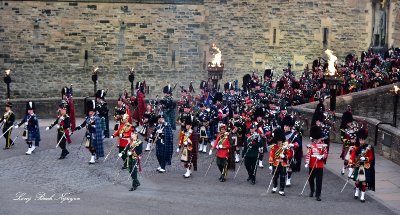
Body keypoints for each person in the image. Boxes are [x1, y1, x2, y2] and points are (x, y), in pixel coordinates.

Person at [349, 128, 375, 203]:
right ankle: (357, 192)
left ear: (364, 140)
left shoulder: (368, 148)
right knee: (357, 181)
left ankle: (362, 196)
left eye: (363, 140)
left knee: (364, 182)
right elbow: (353, 157)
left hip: (365, 166)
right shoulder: (357, 148)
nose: (361, 141)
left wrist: (365, 158)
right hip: (358, 166)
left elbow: (371, 157)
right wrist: (352, 163)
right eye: (360, 140)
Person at [75, 100, 104, 164]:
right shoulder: (88, 118)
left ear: (94, 112)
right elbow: (83, 124)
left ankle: (92, 157)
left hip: (94, 135)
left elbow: (98, 128)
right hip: (88, 134)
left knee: (92, 146)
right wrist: (78, 127)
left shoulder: (97, 118)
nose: (89, 113)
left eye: (91, 111)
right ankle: (95, 153)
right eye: (89, 111)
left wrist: (92, 127)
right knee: (88, 146)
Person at [305, 126, 328, 201]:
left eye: (318, 139)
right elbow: (308, 154)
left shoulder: (324, 146)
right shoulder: (311, 146)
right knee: (310, 179)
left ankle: (318, 195)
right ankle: (312, 190)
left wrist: (321, 157)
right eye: (316, 139)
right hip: (312, 164)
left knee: (319, 181)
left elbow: (325, 154)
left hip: (320, 165)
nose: (317, 140)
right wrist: (307, 162)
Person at [269, 128, 293, 196]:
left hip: (283, 163)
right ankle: (275, 187)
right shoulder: (274, 147)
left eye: (280, 141)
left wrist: (284, 156)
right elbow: (271, 155)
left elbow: (290, 154)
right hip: (275, 163)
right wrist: (270, 164)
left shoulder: (285, 146)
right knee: (275, 176)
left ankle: (281, 189)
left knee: (282, 176)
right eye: (278, 141)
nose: (279, 142)